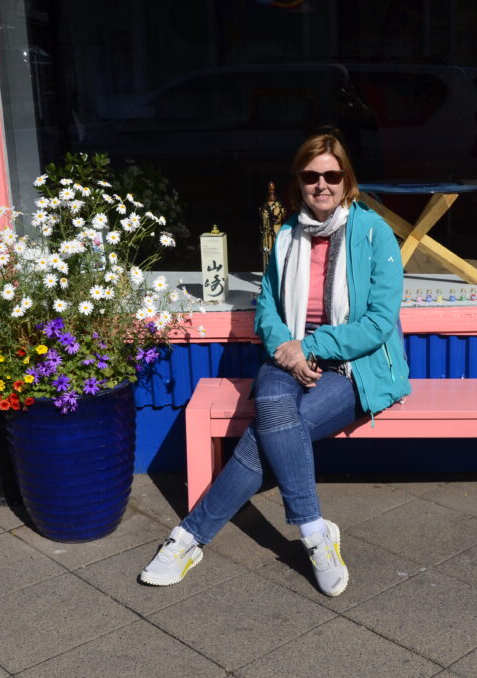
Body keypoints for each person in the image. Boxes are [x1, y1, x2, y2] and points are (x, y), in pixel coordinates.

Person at [140, 133, 410, 596]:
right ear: (298, 182)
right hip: (286, 356)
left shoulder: (374, 232)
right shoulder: (287, 234)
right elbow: (266, 304)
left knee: (267, 431)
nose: (321, 184)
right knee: (276, 412)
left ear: (347, 181)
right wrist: (288, 346)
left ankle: (188, 536)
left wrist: (311, 347)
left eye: (331, 175)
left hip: (354, 367)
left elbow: (379, 321)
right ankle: (315, 532)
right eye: (311, 176)